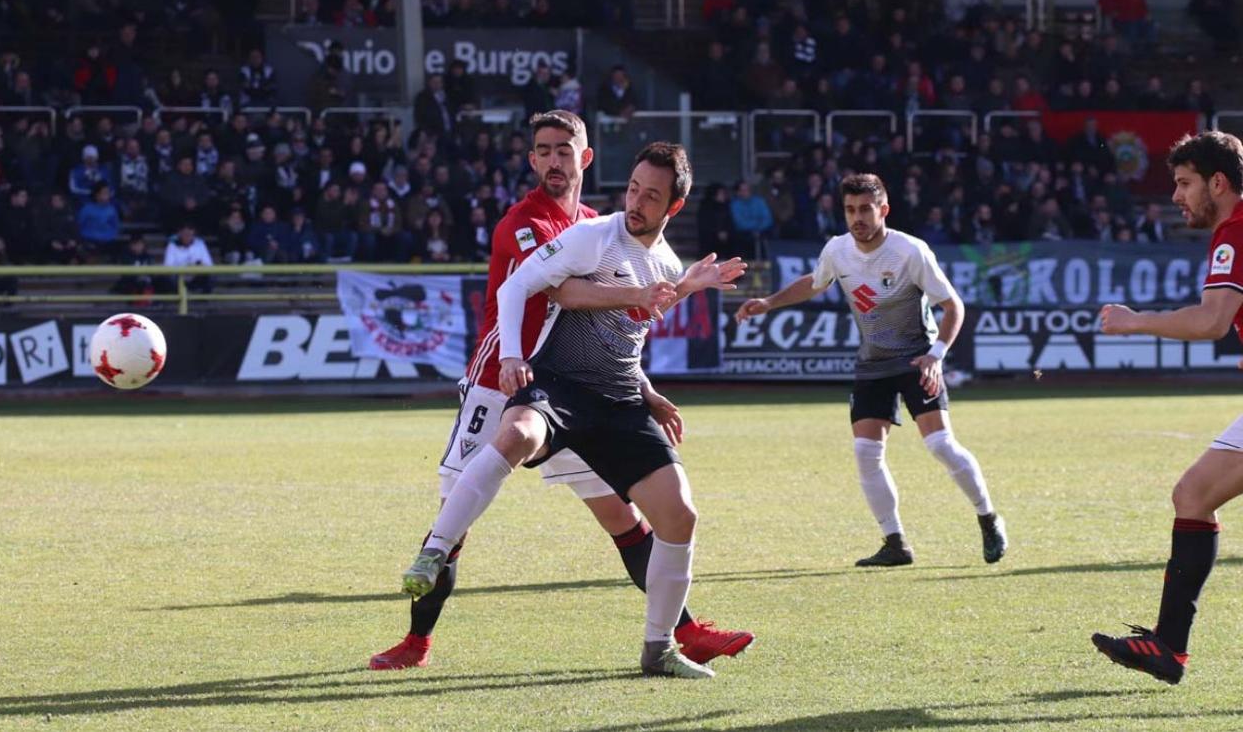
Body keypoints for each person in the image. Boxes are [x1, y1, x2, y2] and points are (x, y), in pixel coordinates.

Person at [372, 115, 750, 675]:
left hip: (585, 392)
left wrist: (645, 387)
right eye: (543, 151)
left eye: (563, 151)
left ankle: (680, 630)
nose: (553, 161)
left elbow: (619, 331)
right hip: (502, 374)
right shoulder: (529, 223)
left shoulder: (601, 224)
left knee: (622, 515)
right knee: (456, 516)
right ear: (532, 160)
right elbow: (564, 291)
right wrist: (648, 291)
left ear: (585, 159)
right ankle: (416, 640)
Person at [735, 173, 1008, 567]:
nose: (857, 217)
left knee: (940, 445)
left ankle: (988, 517)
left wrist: (936, 355)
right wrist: (768, 302)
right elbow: (814, 283)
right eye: (850, 210)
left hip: (917, 358)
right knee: (865, 453)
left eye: (865, 209)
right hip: (873, 363)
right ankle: (895, 543)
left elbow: (954, 306)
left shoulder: (910, 251)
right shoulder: (838, 250)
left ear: (884, 209)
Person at [1091, 131, 1243, 685]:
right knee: (1193, 495)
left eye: (1184, 183)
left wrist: (1134, 321)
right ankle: (1167, 648)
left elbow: (1210, 322)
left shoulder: (1234, 231)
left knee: (1193, 495)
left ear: (1218, 183)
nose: (1176, 196)